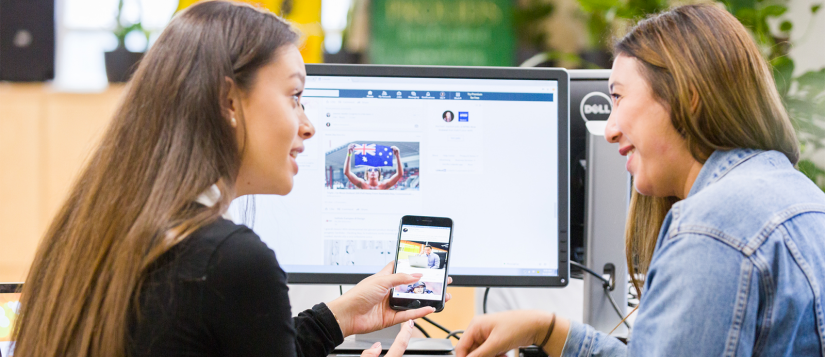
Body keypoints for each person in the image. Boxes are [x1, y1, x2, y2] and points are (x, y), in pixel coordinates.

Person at [11, 3, 448, 357]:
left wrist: (336, 320)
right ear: (228, 101)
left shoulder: (92, 229)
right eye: (295, 96)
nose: (308, 125)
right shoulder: (231, 261)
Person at [456, 5, 825, 357]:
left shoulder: (710, 227)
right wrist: (548, 329)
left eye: (617, 97)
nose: (610, 129)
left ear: (687, 97)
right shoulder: (799, 193)